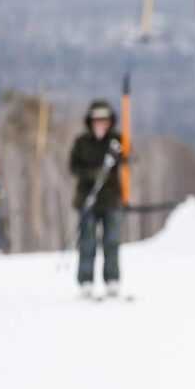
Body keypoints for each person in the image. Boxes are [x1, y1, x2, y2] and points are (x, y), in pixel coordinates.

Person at [68, 100, 125, 299]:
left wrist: (120, 157)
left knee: (112, 241)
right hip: (87, 199)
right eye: (97, 120)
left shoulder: (117, 141)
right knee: (88, 241)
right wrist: (92, 174)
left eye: (104, 120)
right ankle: (85, 281)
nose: (101, 124)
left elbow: (128, 159)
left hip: (111, 199)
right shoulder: (81, 142)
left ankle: (112, 279)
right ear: (91, 121)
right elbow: (73, 167)